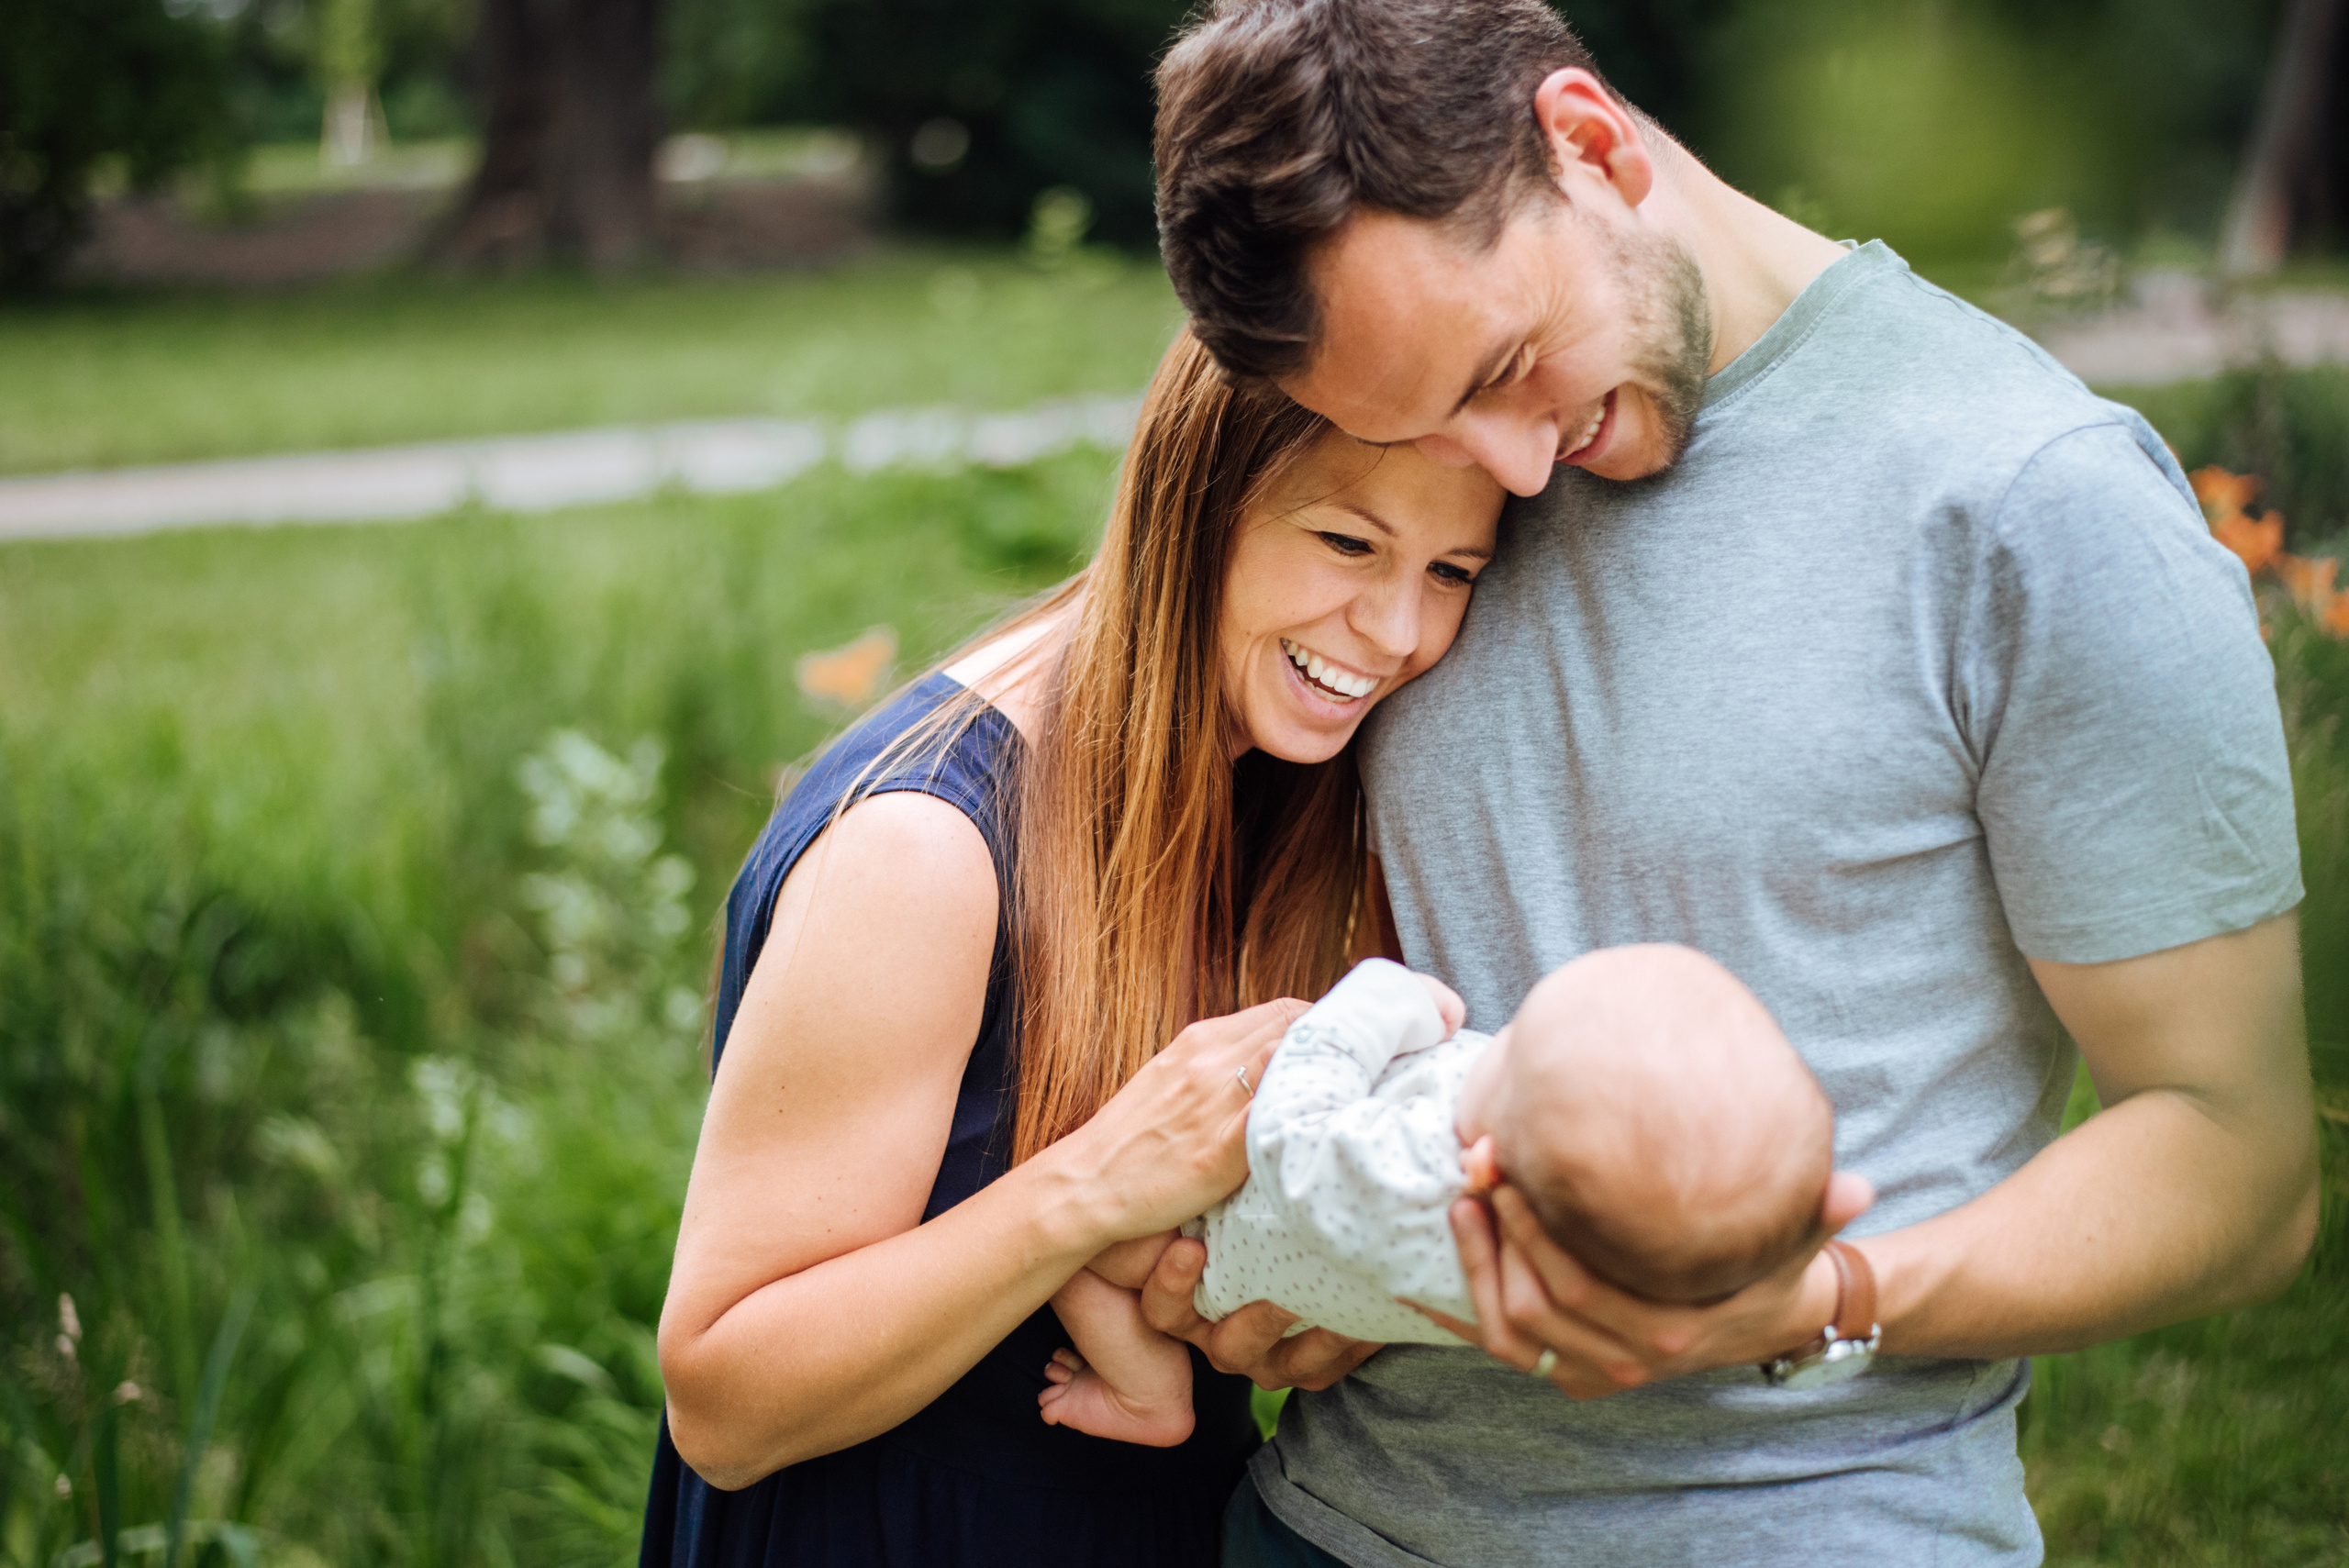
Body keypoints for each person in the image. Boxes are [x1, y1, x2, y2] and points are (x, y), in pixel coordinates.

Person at [1137, 2, 2321, 1563]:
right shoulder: (1416, 489)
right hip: (1327, 1522)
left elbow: (2237, 1158)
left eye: (1506, 368)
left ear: (1591, 143)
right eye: (1419, 422)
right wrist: (1320, 1243)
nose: (1505, 470)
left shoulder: (2034, 502)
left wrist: (1818, 1298)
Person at [638, 326, 1504, 1568]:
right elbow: (722, 1400)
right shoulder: (926, 850)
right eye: (1347, 542)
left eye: (1454, 570)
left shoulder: (1280, 784)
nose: (1394, 627)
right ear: (1195, 503)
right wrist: (1098, 1182)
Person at [1040, 946, 1839, 1447]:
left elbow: (1289, 1138)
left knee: (1071, 1241)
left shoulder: (1422, 1183)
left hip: (1215, 1238)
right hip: (1316, 1285)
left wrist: (1380, 999)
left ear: (1485, 1164)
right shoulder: (1565, 1271)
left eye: (1516, 1041)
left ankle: (1148, 1395)